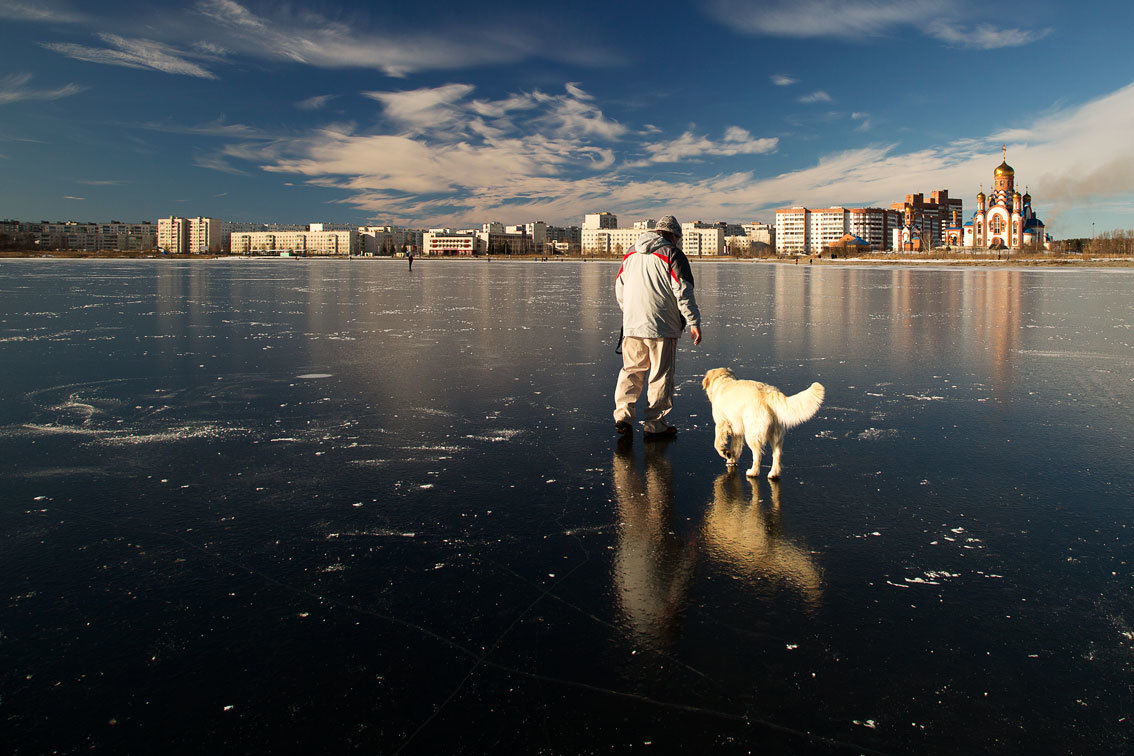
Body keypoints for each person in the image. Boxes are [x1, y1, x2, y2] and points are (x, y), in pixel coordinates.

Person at [613, 215, 702, 439]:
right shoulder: (672, 254)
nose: (678, 242)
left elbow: (620, 288)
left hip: (633, 325)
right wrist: (693, 321)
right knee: (660, 375)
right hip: (662, 327)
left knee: (631, 371)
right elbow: (683, 291)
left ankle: (623, 416)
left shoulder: (631, 253)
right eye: (678, 239)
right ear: (672, 235)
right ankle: (655, 424)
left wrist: (631, 314)